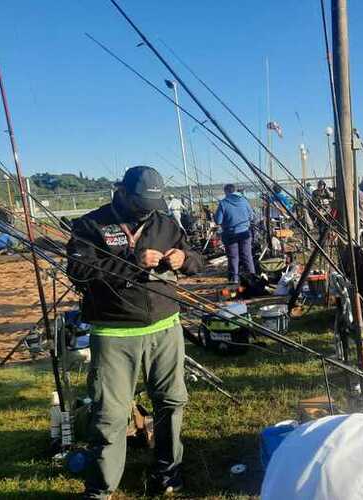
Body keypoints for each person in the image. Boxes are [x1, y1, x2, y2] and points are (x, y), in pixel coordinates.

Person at [66, 166, 203, 499]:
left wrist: (184, 259)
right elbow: (78, 272)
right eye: (141, 203)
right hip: (114, 333)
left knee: (171, 402)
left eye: (153, 204)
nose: (147, 210)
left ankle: (167, 472)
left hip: (166, 328)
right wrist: (131, 262)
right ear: (122, 192)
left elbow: (198, 260)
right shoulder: (91, 224)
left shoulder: (165, 222)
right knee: (109, 414)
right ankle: (100, 488)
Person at [215, 184, 256, 284]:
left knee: (233, 257)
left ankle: (234, 279)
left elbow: (218, 221)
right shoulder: (244, 200)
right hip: (245, 233)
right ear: (234, 191)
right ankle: (252, 277)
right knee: (247, 255)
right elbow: (252, 216)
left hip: (230, 234)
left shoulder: (223, 203)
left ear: (226, 192)